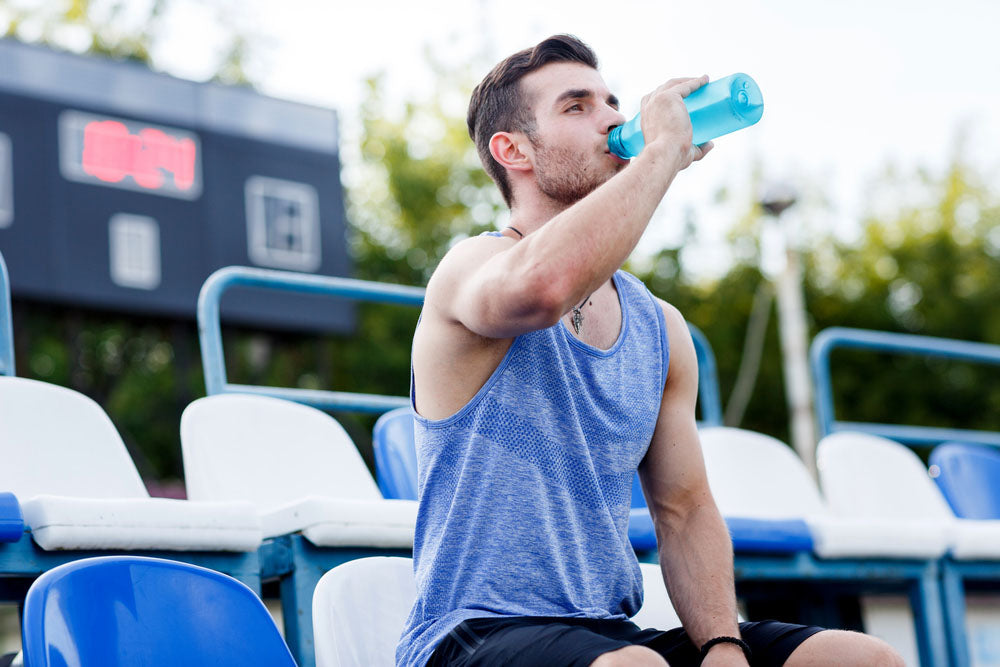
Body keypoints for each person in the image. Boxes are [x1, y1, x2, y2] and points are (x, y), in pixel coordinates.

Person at [396, 34, 904, 667]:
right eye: (577, 107)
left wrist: (723, 645)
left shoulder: (659, 328)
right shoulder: (471, 266)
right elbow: (543, 289)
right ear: (513, 150)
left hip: (610, 633)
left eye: (611, 101)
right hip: (473, 633)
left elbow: (685, 509)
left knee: (860, 659)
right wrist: (661, 151)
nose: (612, 118)